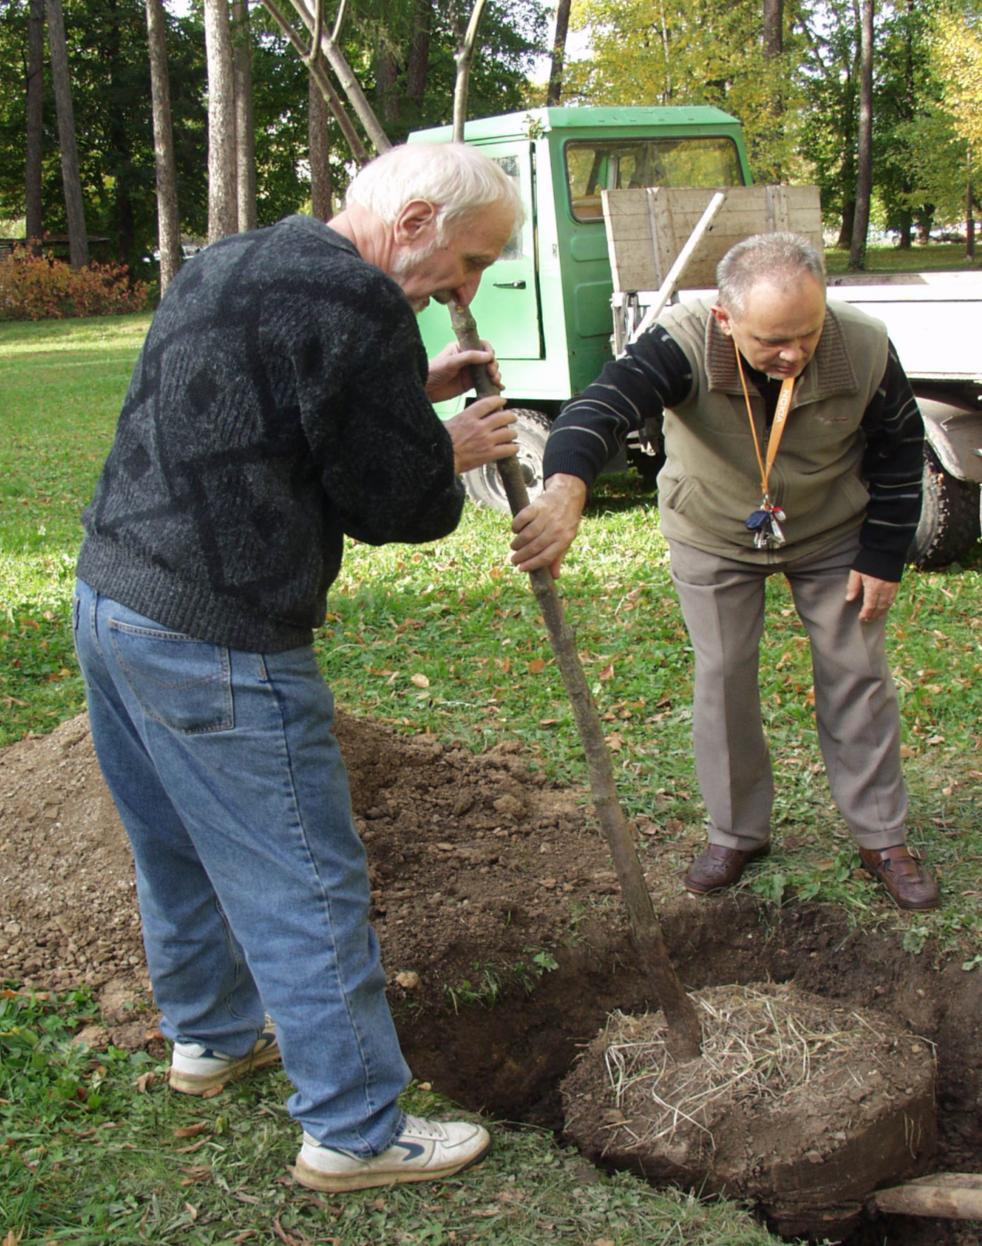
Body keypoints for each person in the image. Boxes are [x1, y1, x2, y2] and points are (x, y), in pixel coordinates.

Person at [73, 142, 522, 1193]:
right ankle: (356, 1130)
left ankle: (211, 1039)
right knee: (303, 880)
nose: (467, 288)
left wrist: (402, 390)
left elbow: (273, 405)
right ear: (413, 220)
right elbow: (393, 505)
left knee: (175, 846)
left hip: (112, 597)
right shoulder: (361, 303)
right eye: (471, 261)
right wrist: (441, 449)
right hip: (216, 632)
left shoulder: (240, 257)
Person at [510, 232, 939, 913]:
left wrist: (884, 555)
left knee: (857, 671)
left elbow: (899, 447)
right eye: (772, 341)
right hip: (713, 527)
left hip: (831, 527)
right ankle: (737, 832)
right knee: (723, 674)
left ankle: (881, 836)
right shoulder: (678, 343)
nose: (793, 353)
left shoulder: (862, 344)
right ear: (725, 318)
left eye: (806, 331)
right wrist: (566, 487)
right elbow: (601, 407)